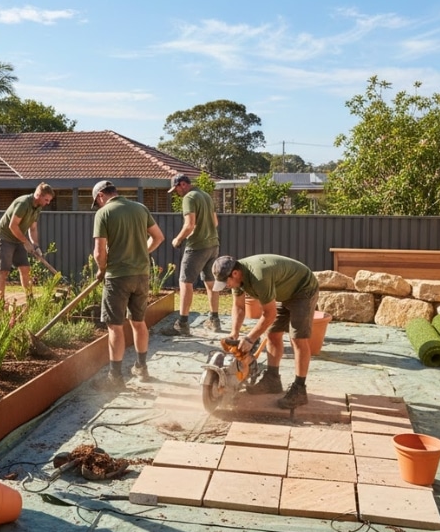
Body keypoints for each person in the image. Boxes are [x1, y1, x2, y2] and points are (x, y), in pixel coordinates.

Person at [212, 253, 319, 409]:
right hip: (285, 291)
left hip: (303, 289)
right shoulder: (237, 278)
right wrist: (234, 333)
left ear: (234, 273)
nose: (226, 286)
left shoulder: (258, 276)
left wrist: (250, 338)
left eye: (226, 282)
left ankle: (300, 389)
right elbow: (239, 307)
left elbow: (269, 314)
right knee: (272, 334)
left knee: (297, 339)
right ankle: (272, 380)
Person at [92, 180, 165, 389]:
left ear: (100, 196)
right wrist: (141, 253)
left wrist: (102, 269)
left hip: (117, 277)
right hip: (142, 275)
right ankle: (142, 369)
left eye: (97, 202)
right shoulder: (140, 209)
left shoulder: (104, 213)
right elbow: (158, 237)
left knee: (115, 327)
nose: (98, 206)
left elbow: (99, 252)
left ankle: (115, 378)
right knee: (139, 322)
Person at [161, 173, 221, 335]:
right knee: (211, 282)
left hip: (197, 246)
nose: (176, 193)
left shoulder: (189, 198)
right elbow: (215, 222)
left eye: (176, 189)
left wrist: (177, 239)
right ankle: (214, 320)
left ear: (182, 184)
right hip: (213, 244)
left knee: (185, 282)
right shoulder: (206, 196)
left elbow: (189, 225)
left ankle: (182, 323)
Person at [0, 182, 55, 299]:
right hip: (4, 237)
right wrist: (26, 242)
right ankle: (0, 303)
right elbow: (12, 226)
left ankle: (30, 299)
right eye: (46, 200)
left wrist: (35, 245)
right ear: (39, 195)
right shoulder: (23, 203)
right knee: (3, 272)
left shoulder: (38, 207)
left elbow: (33, 228)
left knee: (25, 269)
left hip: (18, 239)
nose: (48, 203)